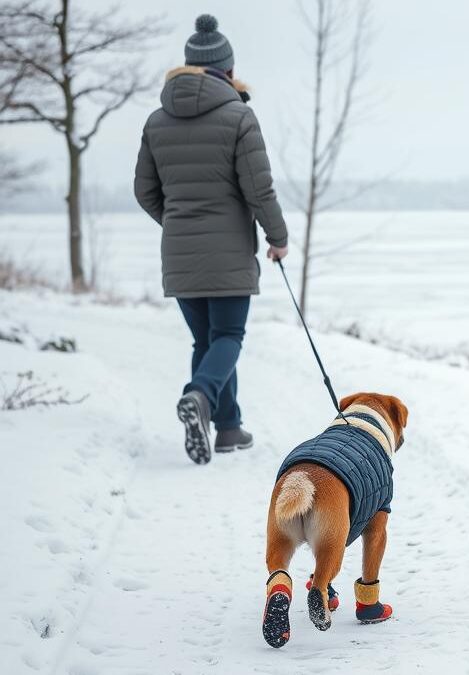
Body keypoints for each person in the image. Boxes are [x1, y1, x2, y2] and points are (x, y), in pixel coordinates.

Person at [134, 14, 288, 465]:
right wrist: (277, 237)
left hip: (179, 253)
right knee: (228, 336)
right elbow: (259, 189)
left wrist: (177, 222)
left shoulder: (156, 121)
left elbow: (145, 191)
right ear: (227, 69)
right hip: (228, 254)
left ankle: (228, 427)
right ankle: (199, 396)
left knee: (207, 341)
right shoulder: (239, 116)